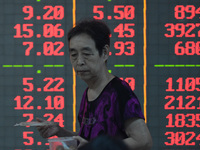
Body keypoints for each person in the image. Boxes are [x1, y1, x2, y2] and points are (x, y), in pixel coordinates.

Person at [36, 18, 152, 150]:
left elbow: (144, 141)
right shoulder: (89, 92)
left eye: (86, 54)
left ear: (105, 53)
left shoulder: (119, 91)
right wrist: (59, 131)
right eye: (74, 55)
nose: (79, 61)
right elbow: (88, 142)